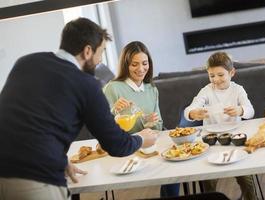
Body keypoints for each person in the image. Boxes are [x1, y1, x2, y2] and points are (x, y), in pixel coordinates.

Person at [0, 18, 157, 200]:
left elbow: (22, 118)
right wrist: (141, 138)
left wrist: (59, 158)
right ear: (88, 51)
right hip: (35, 180)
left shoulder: (26, 62)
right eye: (101, 52)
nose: (100, 61)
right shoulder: (87, 84)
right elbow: (116, 145)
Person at [103, 41, 178, 197]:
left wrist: (149, 122)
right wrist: (114, 110)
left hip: (151, 142)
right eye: (134, 64)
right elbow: (103, 126)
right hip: (128, 144)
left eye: (145, 63)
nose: (141, 69)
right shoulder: (113, 88)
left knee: (173, 168)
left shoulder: (151, 88)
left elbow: (158, 125)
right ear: (126, 65)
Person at [184, 52, 257, 200]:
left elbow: (250, 111)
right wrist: (193, 114)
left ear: (232, 73)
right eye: (211, 76)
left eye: (220, 75)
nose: (216, 80)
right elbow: (189, 110)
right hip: (211, 142)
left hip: (234, 140)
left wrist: (240, 110)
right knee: (208, 179)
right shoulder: (206, 90)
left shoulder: (238, 90)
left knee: (246, 179)